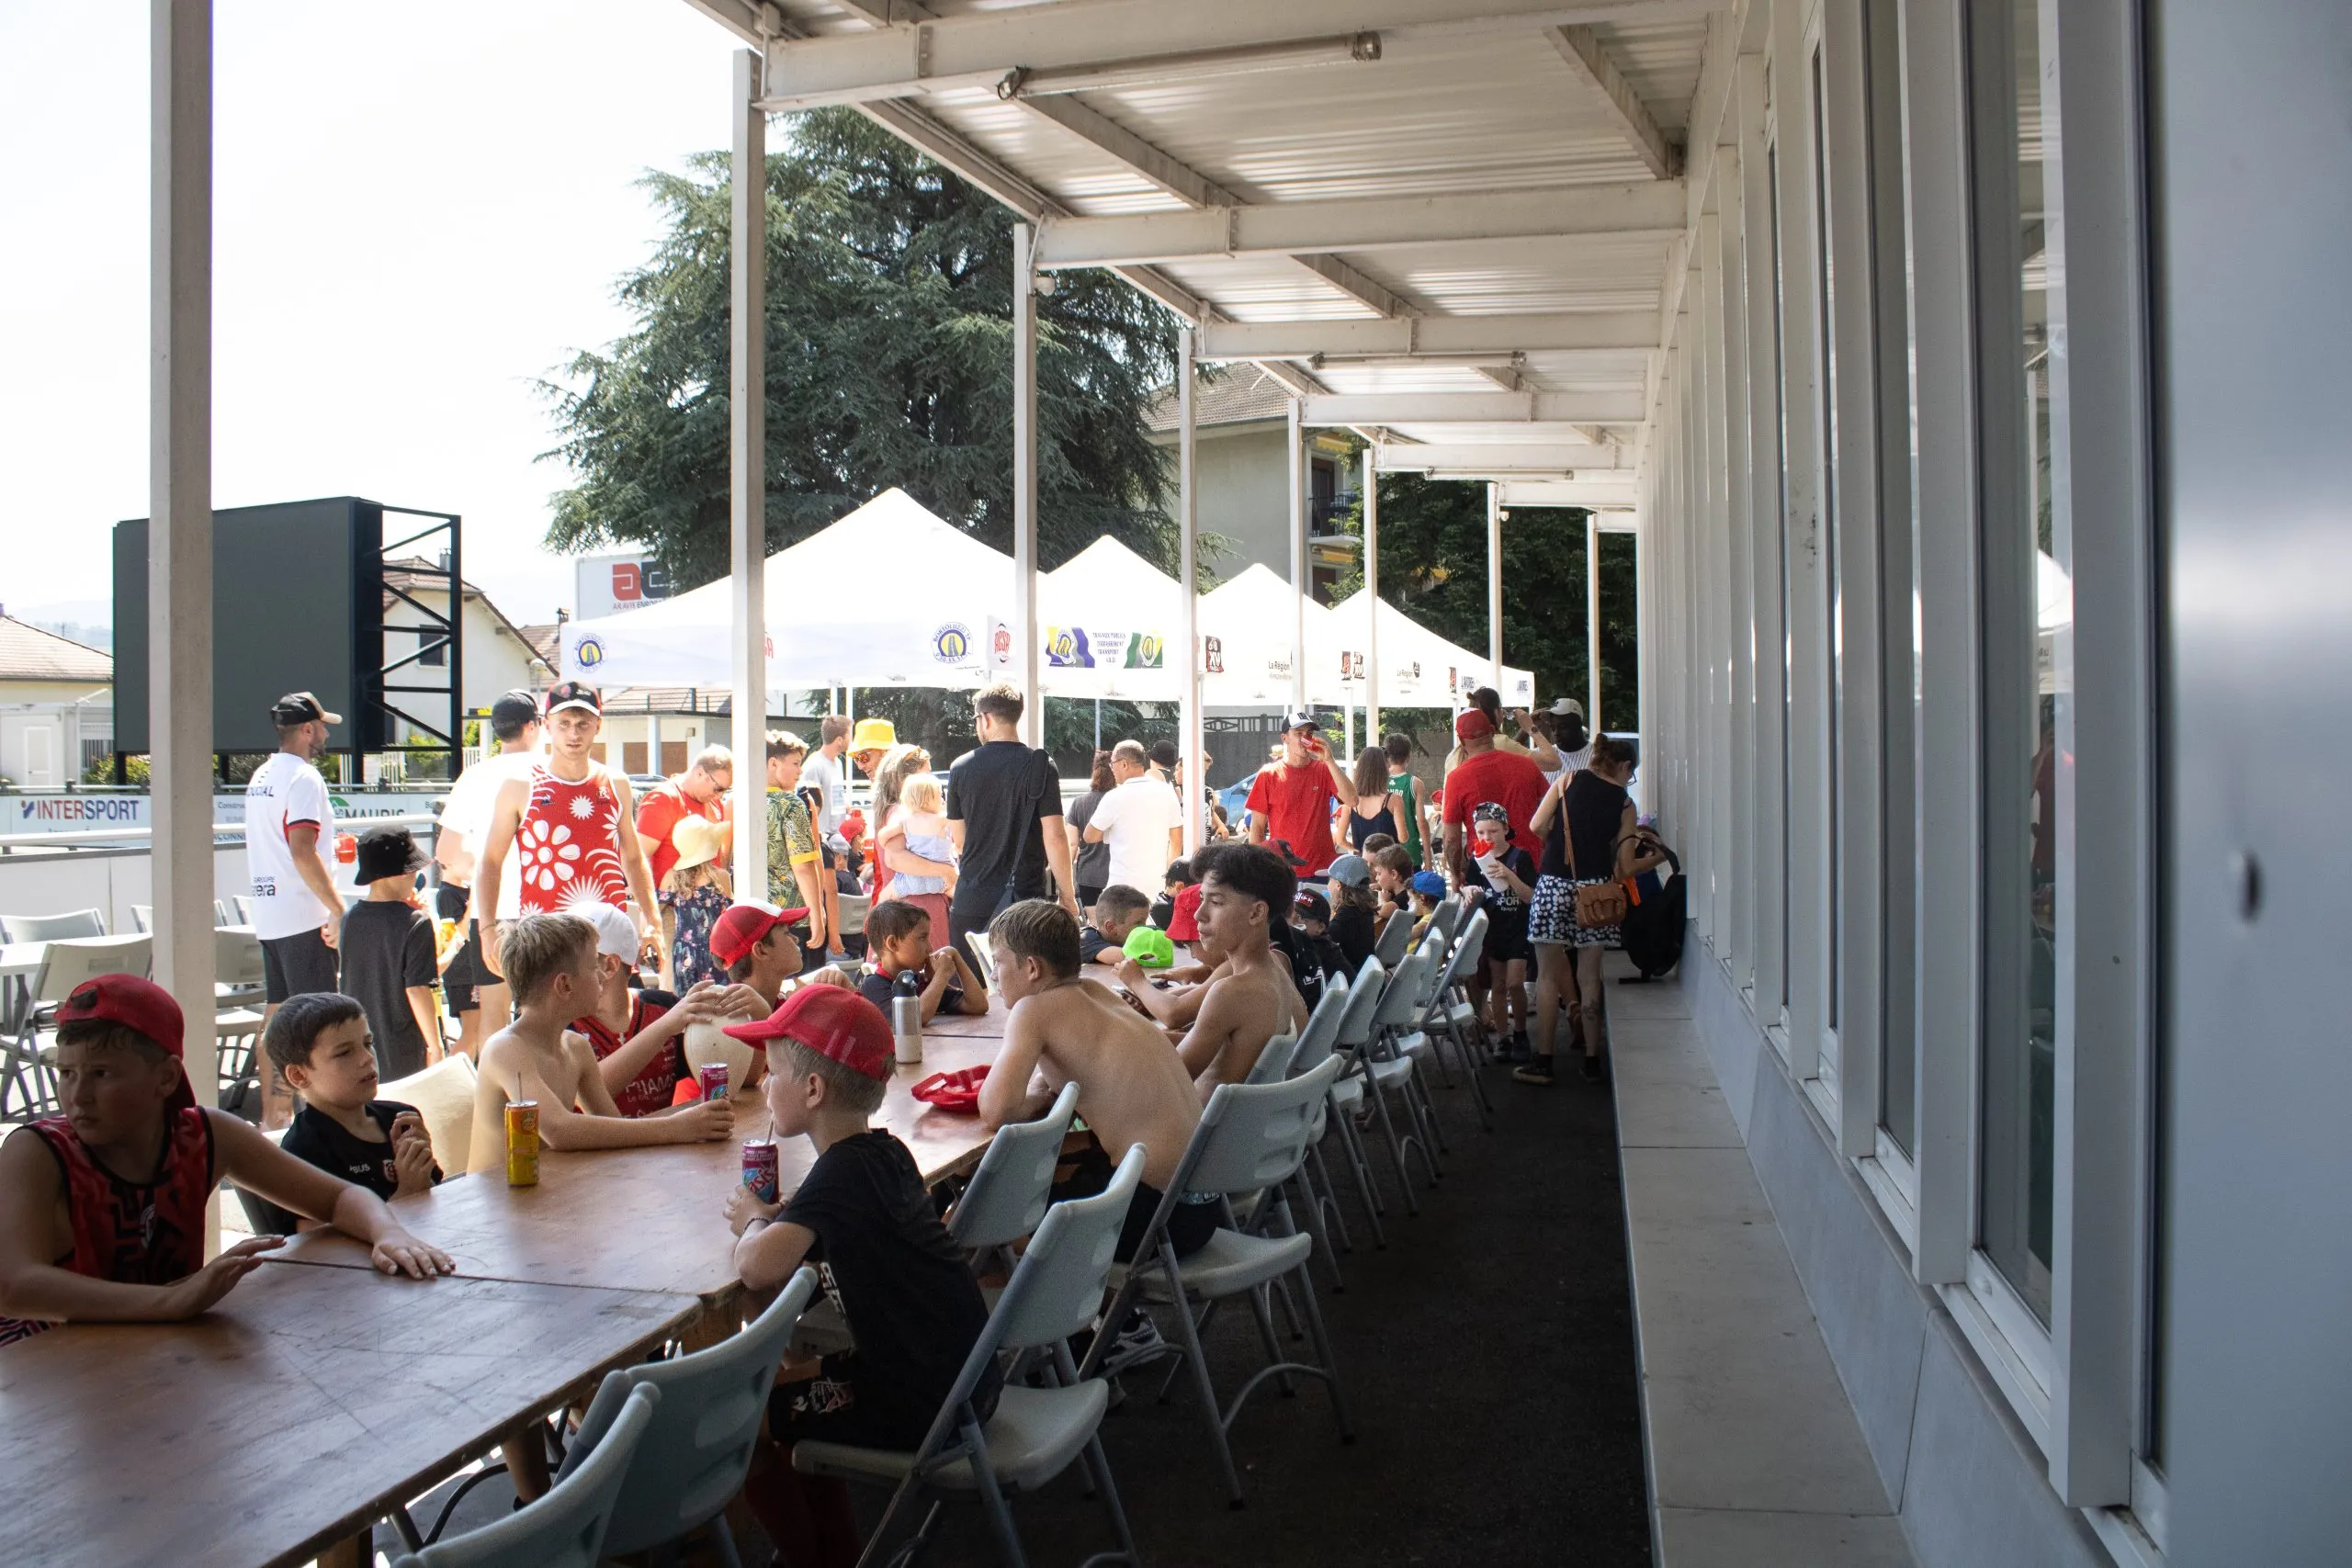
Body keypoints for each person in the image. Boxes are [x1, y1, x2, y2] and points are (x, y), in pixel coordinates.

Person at [0, 976, 450, 1344]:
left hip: (160, 1351)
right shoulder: (37, 1151)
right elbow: (14, 1287)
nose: (77, 1095)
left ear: (166, 1077)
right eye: (66, 1073)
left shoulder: (205, 1135)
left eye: (101, 1074)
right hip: (40, 1370)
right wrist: (170, 1303)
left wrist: (386, 1231)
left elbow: (338, 1199)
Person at [724, 985, 999, 1568]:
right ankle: (836, 1554)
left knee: (735, 1423)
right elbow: (823, 1215)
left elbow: (756, 1266)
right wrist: (784, 1217)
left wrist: (752, 1220)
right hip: (958, 1377)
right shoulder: (883, 1153)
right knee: (782, 1391)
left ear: (813, 1089)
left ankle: (809, 1559)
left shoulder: (841, 1177)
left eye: (771, 1073)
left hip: (918, 1400)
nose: (764, 1085)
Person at [977, 901, 1213, 1263]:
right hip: (1202, 1205)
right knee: (1056, 1172)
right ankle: (1110, 1314)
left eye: (998, 963)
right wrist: (1048, 1091)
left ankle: (1080, 1317)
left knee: (987, 1219)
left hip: (1156, 1219)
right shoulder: (1095, 991)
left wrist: (1041, 1096)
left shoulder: (1033, 1010)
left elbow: (995, 1111)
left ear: (1032, 968)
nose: (993, 976)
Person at [465, 914, 735, 1176]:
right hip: (484, 1212)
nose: (603, 977)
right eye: (594, 967)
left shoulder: (575, 1048)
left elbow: (614, 1128)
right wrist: (676, 1128)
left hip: (545, 1199)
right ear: (565, 985)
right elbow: (560, 1130)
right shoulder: (506, 1049)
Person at [475, 682, 662, 981]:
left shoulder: (616, 783)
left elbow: (634, 859)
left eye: (583, 724)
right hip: (546, 941)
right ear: (547, 726)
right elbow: (490, 861)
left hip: (609, 940)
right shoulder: (521, 786)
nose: (574, 733)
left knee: (615, 1024)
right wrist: (487, 929)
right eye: (564, 724)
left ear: (597, 726)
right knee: (547, 1026)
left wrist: (653, 922)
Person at [1521, 734, 1665, 1085]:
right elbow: (1626, 868)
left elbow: (1536, 826)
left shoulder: (1568, 781)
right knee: (1589, 976)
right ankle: (1591, 1062)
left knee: (1547, 975)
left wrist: (1559, 844)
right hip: (1597, 892)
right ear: (1624, 766)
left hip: (1553, 885)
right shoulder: (1625, 804)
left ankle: (1543, 1062)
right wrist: (1660, 856)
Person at [247, 993, 442, 1235]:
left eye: (368, 1044)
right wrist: (406, 1195)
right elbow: (321, 1250)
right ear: (298, 1075)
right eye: (344, 1053)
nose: (367, 1058)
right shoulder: (304, 1152)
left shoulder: (401, 1119)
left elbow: (439, 1197)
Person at [243, 691, 345, 1121]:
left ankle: (275, 1116)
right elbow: (302, 850)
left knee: (277, 1017)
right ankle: (310, 1120)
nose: (324, 734)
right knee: (314, 1026)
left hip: (271, 914)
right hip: (304, 916)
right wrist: (338, 908)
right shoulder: (304, 778)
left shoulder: (261, 775)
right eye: (321, 727)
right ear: (307, 730)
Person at [570, 905, 761, 1118]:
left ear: (609, 966)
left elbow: (741, 1080)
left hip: (663, 1149)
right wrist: (664, 1027)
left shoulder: (664, 1008)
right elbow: (590, 1092)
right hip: (599, 1150)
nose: (559, 971)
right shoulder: (564, 1022)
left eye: (569, 960)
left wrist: (760, 1015)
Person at [434, 688, 542, 1057]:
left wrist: (480, 864)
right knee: (545, 1017)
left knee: (493, 1023)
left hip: (489, 912)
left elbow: (446, 853)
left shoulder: (474, 775)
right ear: (532, 727)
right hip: (544, 908)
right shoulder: (548, 769)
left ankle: (495, 1110)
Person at [944, 683, 1079, 956]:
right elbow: (1054, 835)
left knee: (975, 991)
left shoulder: (960, 767)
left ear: (985, 718)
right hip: (1023, 898)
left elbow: (960, 841)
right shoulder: (1041, 766)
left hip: (972, 896)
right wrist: (1068, 894)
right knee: (1025, 986)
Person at [1176, 842, 1308, 1096]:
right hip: (1245, 1127)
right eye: (1201, 899)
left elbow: (1172, 1082)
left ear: (1257, 913)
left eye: (1215, 901)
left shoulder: (1230, 993)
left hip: (1204, 1131)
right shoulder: (1277, 969)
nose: (1199, 915)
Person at [337, 825, 442, 1080]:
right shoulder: (416, 922)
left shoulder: (350, 919)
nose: (415, 875)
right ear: (393, 874)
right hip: (404, 1043)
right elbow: (417, 989)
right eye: (411, 869)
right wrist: (435, 1046)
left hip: (358, 1041)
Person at [1440, 707, 1552, 881]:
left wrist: (1455, 876)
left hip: (1485, 871)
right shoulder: (1527, 765)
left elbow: (1451, 840)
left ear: (1461, 740)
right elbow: (1549, 817)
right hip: (1530, 868)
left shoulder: (1457, 778)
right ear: (1492, 731)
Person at [1464, 803, 1539, 1058]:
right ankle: (1504, 1038)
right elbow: (1469, 887)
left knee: (1515, 983)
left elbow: (1530, 896)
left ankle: (1520, 1032)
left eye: (1493, 831)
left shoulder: (1521, 857)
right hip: (1493, 929)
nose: (1487, 838)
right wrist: (1468, 892)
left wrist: (1509, 875)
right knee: (1498, 985)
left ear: (1506, 829)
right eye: (1482, 833)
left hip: (1518, 927)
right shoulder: (1476, 859)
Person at [1244, 712, 1354, 875]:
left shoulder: (1323, 769)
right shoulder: (1268, 774)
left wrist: (1330, 760)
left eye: (1309, 733)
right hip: (1283, 871)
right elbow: (1257, 827)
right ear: (1284, 738)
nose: (1306, 739)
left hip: (1322, 869)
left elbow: (1352, 800)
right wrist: (1258, 869)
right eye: (1298, 734)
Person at [855, 900, 988, 1026]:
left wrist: (955, 956)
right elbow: (914, 1018)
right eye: (922, 938)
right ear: (893, 944)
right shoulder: (873, 985)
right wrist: (942, 975)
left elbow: (977, 1005)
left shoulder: (917, 982)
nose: (930, 948)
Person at [709, 902, 860, 1008]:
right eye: (787, 933)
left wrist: (850, 995)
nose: (796, 939)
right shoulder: (731, 1015)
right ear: (761, 950)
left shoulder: (779, 1002)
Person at [1085, 739, 1184, 900]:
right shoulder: (1167, 792)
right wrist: (1168, 878)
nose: (1112, 769)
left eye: (1113, 763)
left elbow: (1089, 836)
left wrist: (1110, 832)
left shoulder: (1115, 796)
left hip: (1121, 890)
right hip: (1157, 887)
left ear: (1124, 764)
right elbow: (1176, 841)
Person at [763, 732, 831, 959]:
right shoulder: (790, 804)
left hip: (754, 913)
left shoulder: (737, 801)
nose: (800, 771)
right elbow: (803, 865)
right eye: (795, 764)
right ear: (773, 764)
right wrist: (816, 913)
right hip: (793, 915)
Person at [634, 745, 733, 890]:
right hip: (671, 904)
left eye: (725, 790)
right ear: (700, 773)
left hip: (711, 903)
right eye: (718, 788)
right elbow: (638, 859)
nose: (720, 796)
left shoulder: (712, 801)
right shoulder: (664, 799)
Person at [802, 716, 855, 963]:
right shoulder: (815, 765)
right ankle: (832, 940)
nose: (851, 739)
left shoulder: (837, 764)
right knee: (830, 891)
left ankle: (844, 939)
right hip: (821, 840)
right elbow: (808, 801)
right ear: (840, 739)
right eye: (850, 734)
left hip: (836, 837)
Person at [876, 773, 956, 936]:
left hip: (912, 881)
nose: (942, 799)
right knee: (961, 897)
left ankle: (878, 933)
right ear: (930, 799)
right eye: (939, 795)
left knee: (883, 899)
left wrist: (885, 843)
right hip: (942, 880)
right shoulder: (942, 818)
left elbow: (882, 836)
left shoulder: (906, 821)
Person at [663, 816, 734, 991]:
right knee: (720, 1005)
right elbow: (730, 915)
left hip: (684, 953)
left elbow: (655, 910)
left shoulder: (671, 877)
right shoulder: (721, 876)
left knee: (688, 1008)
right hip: (717, 952)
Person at [1441, 685, 1560, 775]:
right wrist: (1531, 728)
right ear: (1492, 730)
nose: (1503, 713)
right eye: (1500, 708)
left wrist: (1522, 733)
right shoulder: (1501, 742)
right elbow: (1554, 762)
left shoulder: (1453, 756)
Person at [1063, 750, 1115, 909]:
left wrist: (1065, 885)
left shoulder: (1079, 803)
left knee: (1094, 926)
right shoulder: (1119, 801)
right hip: (1115, 875)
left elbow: (1072, 844)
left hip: (1088, 876)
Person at [1383, 733, 1437, 868]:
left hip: (1384, 853)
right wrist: (1429, 860)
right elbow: (1421, 822)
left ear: (1387, 756)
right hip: (1409, 851)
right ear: (1408, 756)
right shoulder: (1415, 783)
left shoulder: (1380, 782)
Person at [1342, 747, 1408, 853]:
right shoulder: (1394, 800)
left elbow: (1341, 840)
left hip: (1362, 864)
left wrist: (1358, 850)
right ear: (1383, 769)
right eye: (1388, 764)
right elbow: (1403, 837)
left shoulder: (1350, 802)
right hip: (1387, 864)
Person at [1324, 853, 1380, 976]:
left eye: (1329, 880)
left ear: (1338, 885)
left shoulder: (1346, 914)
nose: (1327, 885)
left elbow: (1324, 941)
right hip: (1365, 976)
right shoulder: (1362, 908)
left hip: (1353, 981)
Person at [1082, 885, 1152, 965]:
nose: (1145, 928)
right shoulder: (1087, 939)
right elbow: (1127, 957)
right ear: (1111, 927)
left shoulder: (1126, 940)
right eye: (1138, 924)